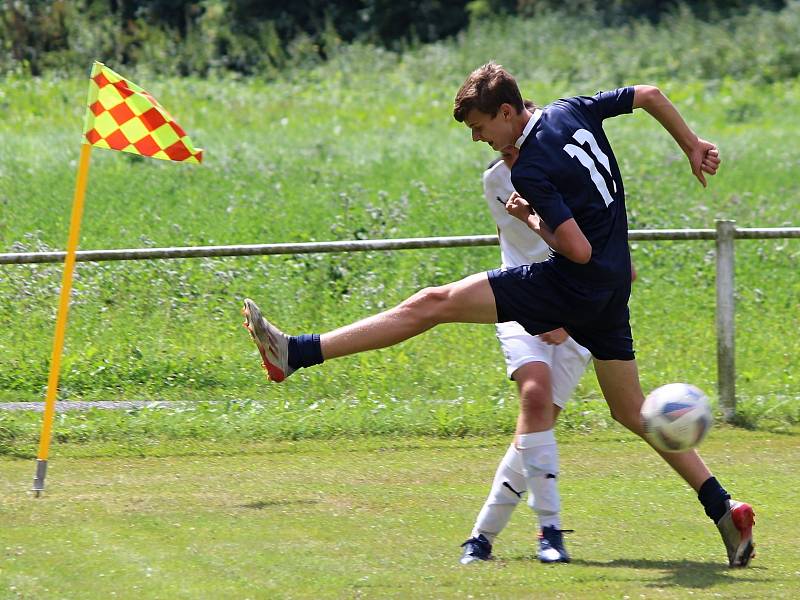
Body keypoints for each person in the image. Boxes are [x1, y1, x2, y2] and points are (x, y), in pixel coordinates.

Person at [241, 62, 755, 567]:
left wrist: (530, 216)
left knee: (432, 304)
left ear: (508, 112)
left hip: (571, 285)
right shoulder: (571, 110)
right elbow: (649, 93)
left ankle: (298, 352)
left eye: (480, 127)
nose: (478, 139)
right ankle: (723, 508)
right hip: (613, 287)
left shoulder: (528, 167)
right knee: (631, 410)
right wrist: (691, 144)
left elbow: (573, 249)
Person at [460, 141, 592, 565]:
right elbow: (513, 248)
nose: (490, 142)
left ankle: (480, 537)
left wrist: (567, 316)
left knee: (533, 434)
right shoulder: (494, 179)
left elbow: (594, 252)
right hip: (522, 298)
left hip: (580, 307)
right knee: (534, 395)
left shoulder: (569, 167)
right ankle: (550, 531)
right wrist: (536, 306)